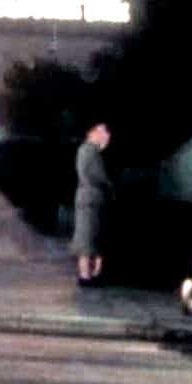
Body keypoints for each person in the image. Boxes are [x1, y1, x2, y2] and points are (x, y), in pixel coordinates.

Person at [73, 122, 112, 286]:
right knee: (88, 237)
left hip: (88, 197)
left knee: (89, 236)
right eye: (102, 132)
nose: (106, 135)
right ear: (92, 133)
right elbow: (99, 175)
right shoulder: (90, 151)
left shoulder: (88, 151)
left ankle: (90, 273)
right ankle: (86, 275)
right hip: (91, 198)